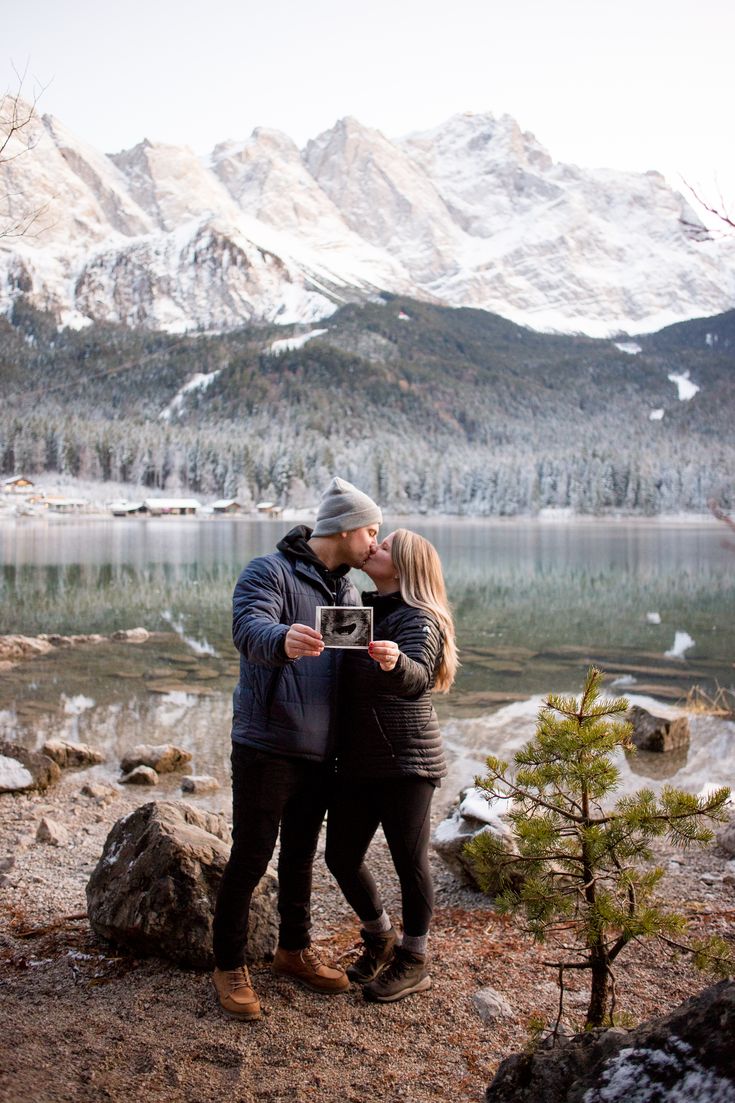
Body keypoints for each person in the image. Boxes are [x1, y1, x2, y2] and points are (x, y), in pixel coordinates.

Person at [212, 477, 382, 1020]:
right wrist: (281, 640)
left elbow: (350, 668)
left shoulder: (348, 592)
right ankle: (228, 963)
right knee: (252, 854)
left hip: (323, 750)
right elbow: (248, 627)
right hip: (268, 741)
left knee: (301, 856)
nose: (376, 544)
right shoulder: (269, 572)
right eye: (372, 532)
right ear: (346, 528)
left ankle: (293, 950)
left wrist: (384, 662)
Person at [325, 528, 458, 1003]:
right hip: (358, 761)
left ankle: (415, 958)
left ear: (401, 567)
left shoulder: (420, 618)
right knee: (339, 857)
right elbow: (329, 666)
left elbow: (418, 676)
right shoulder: (365, 611)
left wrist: (395, 662)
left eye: (383, 548)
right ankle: (380, 935)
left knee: (409, 862)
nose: (373, 549)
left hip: (406, 762)